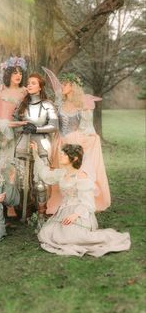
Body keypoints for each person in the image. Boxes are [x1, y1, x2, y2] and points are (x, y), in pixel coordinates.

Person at [31, 142, 131, 257]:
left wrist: (74, 215)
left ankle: (108, 238)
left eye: (64, 154)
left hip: (80, 213)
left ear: (74, 158)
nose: (61, 156)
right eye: (61, 154)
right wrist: (35, 153)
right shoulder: (62, 173)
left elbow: (88, 204)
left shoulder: (81, 177)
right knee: (46, 233)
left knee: (71, 235)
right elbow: (45, 174)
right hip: (64, 212)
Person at [43, 68, 111, 215]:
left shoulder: (82, 105)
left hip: (73, 141)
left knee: (74, 171)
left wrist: (89, 137)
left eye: (65, 84)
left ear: (73, 86)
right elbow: (56, 122)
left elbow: (86, 127)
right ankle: (60, 200)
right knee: (60, 171)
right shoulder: (60, 104)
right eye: (62, 84)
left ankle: (77, 201)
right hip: (59, 141)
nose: (62, 87)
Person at [0, 57, 28, 217]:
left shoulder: (24, 92)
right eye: (15, 73)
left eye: (21, 73)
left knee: (9, 165)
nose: (18, 76)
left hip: (13, 133)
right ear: (8, 74)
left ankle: (9, 204)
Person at [14, 73, 58, 220]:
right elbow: (14, 124)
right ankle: (24, 213)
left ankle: (40, 215)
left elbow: (54, 126)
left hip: (41, 145)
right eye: (29, 83)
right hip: (22, 144)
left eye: (33, 83)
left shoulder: (47, 105)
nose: (30, 85)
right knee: (21, 182)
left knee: (40, 182)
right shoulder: (21, 105)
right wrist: (21, 128)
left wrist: (37, 129)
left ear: (40, 87)